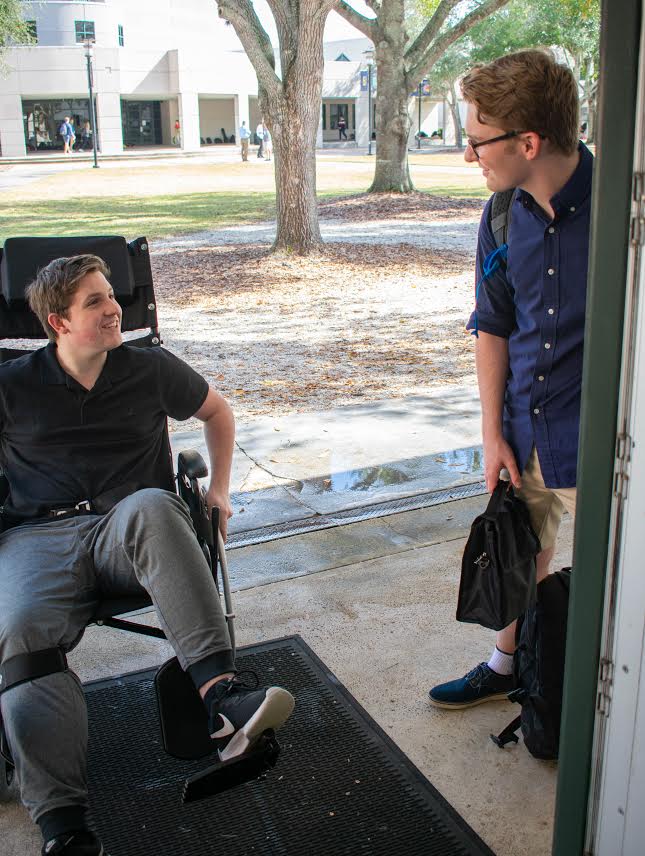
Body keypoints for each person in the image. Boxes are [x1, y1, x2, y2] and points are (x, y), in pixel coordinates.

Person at [0, 254, 295, 855]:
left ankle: (221, 696)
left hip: (127, 529)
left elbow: (218, 411)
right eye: (96, 302)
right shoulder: (11, 386)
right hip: (39, 537)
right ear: (58, 322)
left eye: (113, 296)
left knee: (155, 505)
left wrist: (218, 489)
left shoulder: (149, 368)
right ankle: (64, 827)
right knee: (22, 631)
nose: (115, 309)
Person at [428, 49, 591, 709]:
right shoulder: (498, 216)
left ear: (527, 141)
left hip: (602, 436)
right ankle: (505, 666)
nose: (469, 156)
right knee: (525, 553)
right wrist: (492, 431)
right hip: (526, 428)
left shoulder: (620, 215)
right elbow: (492, 325)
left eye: (475, 141)